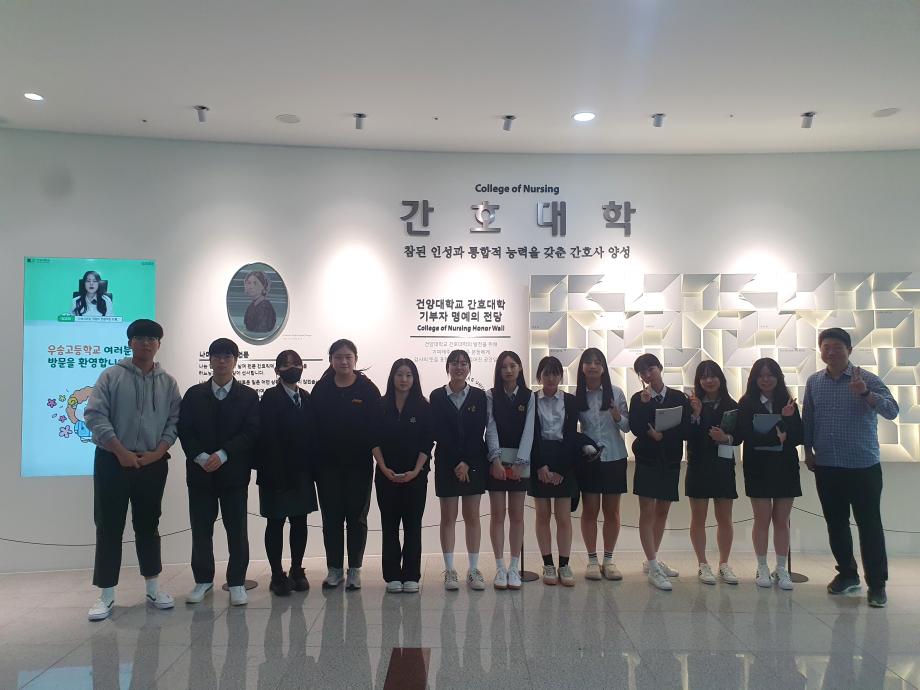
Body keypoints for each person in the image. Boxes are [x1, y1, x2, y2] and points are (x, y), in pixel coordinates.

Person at [84, 319, 182, 620]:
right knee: (109, 526)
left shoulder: (168, 383)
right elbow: (94, 415)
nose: (146, 343)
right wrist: (120, 451)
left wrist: (158, 453)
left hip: (153, 464)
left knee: (149, 525)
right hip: (112, 461)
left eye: (152, 338)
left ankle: (153, 588)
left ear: (159, 344)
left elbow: (174, 422)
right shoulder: (111, 376)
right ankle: (106, 594)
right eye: (140, 338)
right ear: (130, 343)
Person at [803, 327, 900, 608]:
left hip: (862, 465)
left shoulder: (867, 379)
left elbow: (892, 410)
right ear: (820, 351)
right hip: (827, 465)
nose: (831, 352)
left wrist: (866, 393)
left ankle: (877, 584)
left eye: (837, 347)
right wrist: (807, 451)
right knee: (836, 524)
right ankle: (847, 574)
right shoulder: (814, 382)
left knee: (869, 525)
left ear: (849, 350)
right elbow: (808, 418)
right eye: (826, 347)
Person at [178, 337, 260, 606]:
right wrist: (201, 456)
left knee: (237, 530)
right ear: (210, 360)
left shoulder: (248, 396)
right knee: (201, 530)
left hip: (234, 474)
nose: (222, 361)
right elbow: (184, 430)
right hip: (200, 474)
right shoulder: (194, 394)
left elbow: (251, 432)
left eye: (227, 356)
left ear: (235, 361)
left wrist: (224, 454)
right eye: (217, 356)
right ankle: (203, 580)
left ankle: (237, 582)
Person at [311, 339, 381, 590]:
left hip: (359, 466)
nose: (343, 361)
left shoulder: (367, 389)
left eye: (348, 357)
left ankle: (354, 569)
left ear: (355, 359)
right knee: (331, 518)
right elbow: (313, 428)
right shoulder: (321, 389)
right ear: (331, 360)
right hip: (327, 467)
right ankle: (334, 569)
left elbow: (376, 428)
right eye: (338, 357)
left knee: (356, 518)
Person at [255, 349, 318, 596]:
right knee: (275, 523)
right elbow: (266, 438)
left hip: (302, 472)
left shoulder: (307, 398)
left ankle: (297, 569)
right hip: (276, 472)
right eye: (286, 364)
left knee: (300, 522)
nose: (292, 368)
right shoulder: (270, 398)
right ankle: (276, 574)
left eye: (297, 364)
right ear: (277, 370)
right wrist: (276, 472)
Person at [736, 357, 802, 591]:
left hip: (785, 466)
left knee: (782, 521)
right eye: (761, 375)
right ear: (754, 379)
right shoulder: (746, 403)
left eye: (770, 374)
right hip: (758, 467)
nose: (765, 379)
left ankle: (781, 568)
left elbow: (798, 436)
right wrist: (775, 438)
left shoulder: (788, 401)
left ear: (778, 377)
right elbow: (745, 436)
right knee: (761, 519)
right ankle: (762, 566)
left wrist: (788, 418)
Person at [628, 353, 691, 591]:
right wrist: (645, 407)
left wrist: (664, 435)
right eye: (642, 372)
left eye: (650, 369)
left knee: (662, 511)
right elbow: (635, 427)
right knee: (647, 511)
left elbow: (685, 428)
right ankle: (654, 565)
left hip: (670, 460)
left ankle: (651, 559)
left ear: (660, 368)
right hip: (646, 459)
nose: (647, 375)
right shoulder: (638, 398)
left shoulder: (678, 397)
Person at [372, 359, 433, 594]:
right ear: (392, 377)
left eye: (408, 375)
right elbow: (373, 439)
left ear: (414, 379)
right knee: (389, 526)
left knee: (412, 526)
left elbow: (427, 442)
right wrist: (383, 468)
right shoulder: (380, 405)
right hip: (386, 476)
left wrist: (416, 471)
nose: (404, 379)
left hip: (415, 477)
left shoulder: (423, 407)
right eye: (399, 374)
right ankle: (392, 576)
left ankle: (411, 575)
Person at [429, 349, 488, 591]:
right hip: (446, 463)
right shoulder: (436, 396)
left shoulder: (479, 396)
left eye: (464, 363)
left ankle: (473, 570)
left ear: (469, 368)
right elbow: (438, 431)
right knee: (448, 517)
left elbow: (478, 431)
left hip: (474, 463)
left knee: (472, 516)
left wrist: (467, 462)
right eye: (454, 363)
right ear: (448, 367)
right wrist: (456, 462)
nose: (459, 367)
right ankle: (450, 570)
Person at [574, 348, 629, 582]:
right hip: (589, 460)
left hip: (614, 457)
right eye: (588, 362)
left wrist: (617, 416)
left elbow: (627, 427)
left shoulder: (616, 393)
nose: (593, 366)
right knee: (590, 510)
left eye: (598, 362)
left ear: (604, 368)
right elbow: (571, 431)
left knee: (612, 512)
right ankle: (592, 560)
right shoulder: (577, 396)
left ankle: (609, 560)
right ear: (582, 368)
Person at [685, 360, 741, 585]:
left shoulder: (732, 404)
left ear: (720, 378)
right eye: (704, 377)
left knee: (724, 517)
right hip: (698, 464)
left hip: (723, 465)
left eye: (713, 376)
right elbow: (686, 433)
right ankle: (702, 564)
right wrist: (696, 414)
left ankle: (724, 564)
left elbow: (740, 435)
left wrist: (725, 438)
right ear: (698, 381)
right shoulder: (692, 404)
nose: (709, 381)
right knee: (698, 517)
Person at [529, 356, 582, 587]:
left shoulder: (570, 400)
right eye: (546, 373)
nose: (551, 378)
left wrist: (561, 469)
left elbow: (571, 436)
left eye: (555, 373)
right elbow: (530, 435)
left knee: (563, 517)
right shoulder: (531, 399)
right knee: (542, 515)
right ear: (539, 376)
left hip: (564, 460)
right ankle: (548, 564)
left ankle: (564, 565)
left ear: (560, 376)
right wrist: (540, 465)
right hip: (539, 459)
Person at [484, 351, 535, 590]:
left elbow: (529, 430)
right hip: (497, 462)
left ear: (520, 368)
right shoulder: (490, 395)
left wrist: (520, 462)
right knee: (497, 515)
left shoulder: (529, 396)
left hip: (520, 463)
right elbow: (490, 427)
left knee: (517, 515)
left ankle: (514, 567)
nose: (508, 370)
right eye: (504, 366)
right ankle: (500, 567)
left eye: (513, 365)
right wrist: (495, 460)